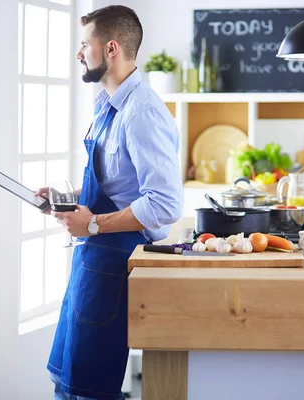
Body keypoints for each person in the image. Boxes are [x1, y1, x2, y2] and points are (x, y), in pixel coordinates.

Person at [34, 5, 183, 400]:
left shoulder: (143, 112)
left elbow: (164, 204)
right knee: (66, 382)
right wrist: (68, 202)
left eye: (86, 44)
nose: (79, 53)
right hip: (90, 258)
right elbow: (117, 186)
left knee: (88, 391)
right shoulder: (106, 104)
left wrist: (94, 224)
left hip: (113, 263)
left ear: (111, 48)